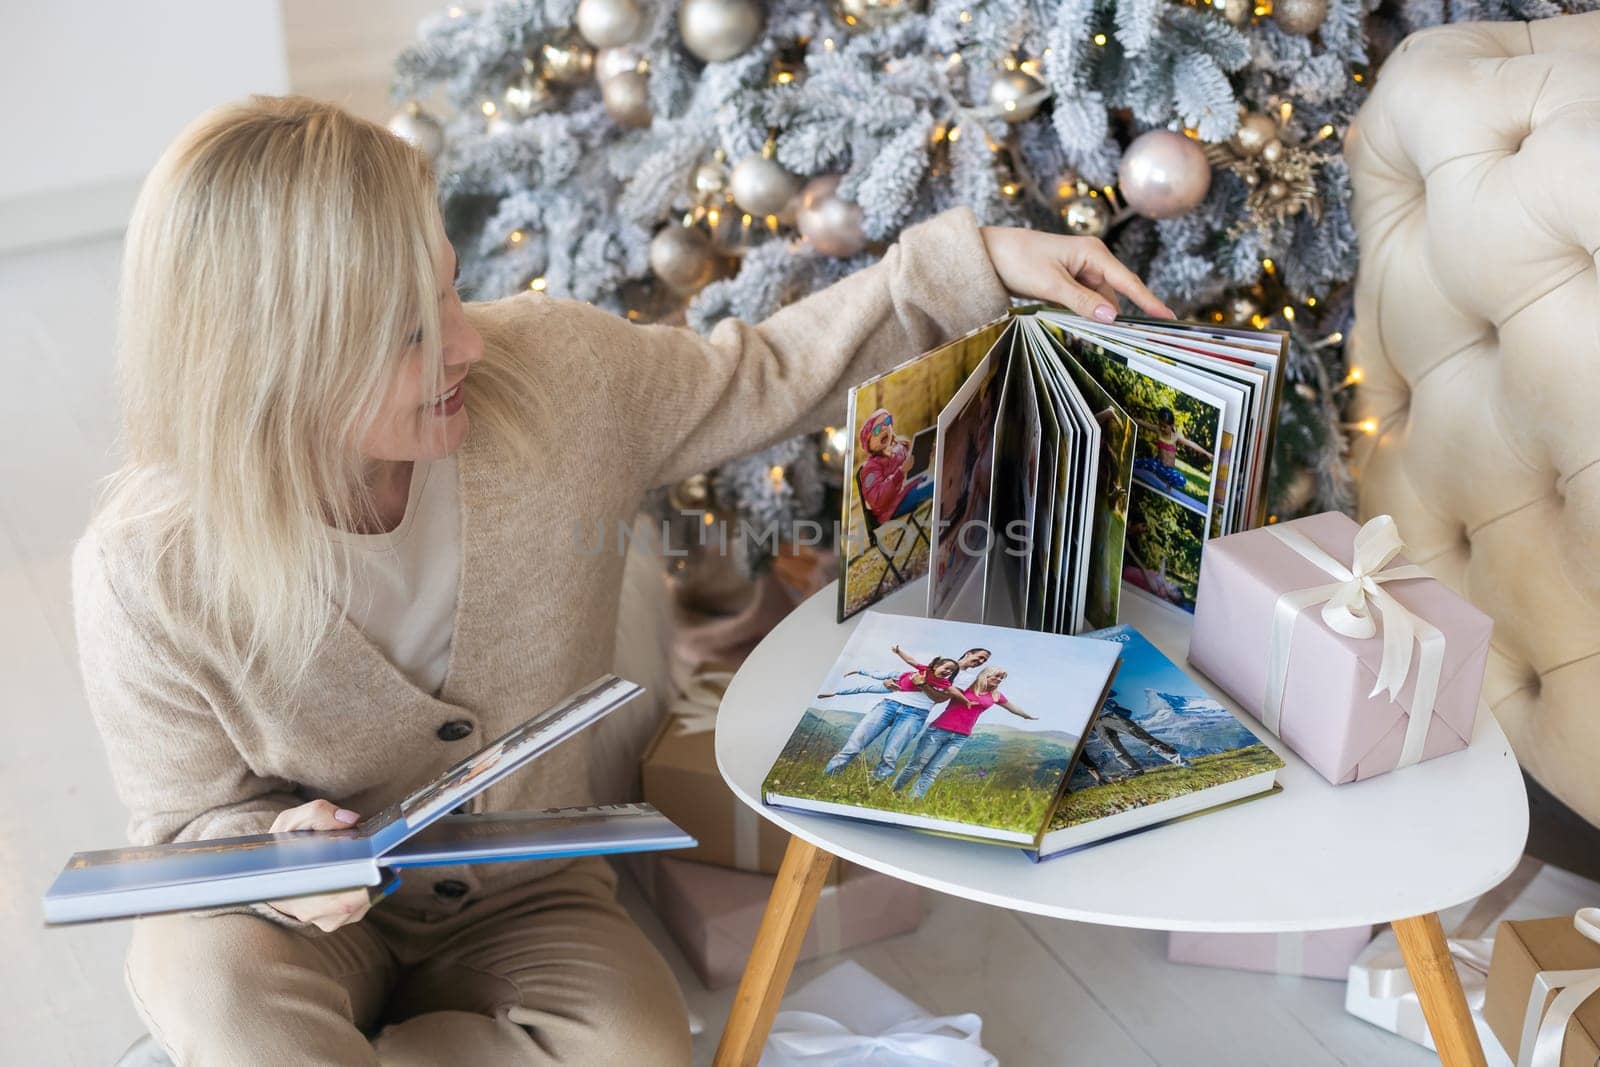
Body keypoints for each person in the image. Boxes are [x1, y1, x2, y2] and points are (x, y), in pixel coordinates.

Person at [74, 94, 1171, 1063]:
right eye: (409, 331)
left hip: (522, 895)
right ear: (274, 361)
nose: (466, 345)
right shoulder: (144, 570)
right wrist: (270, 857)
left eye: (450, 291)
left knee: (638, 1045)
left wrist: (975, 260)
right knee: (210, 992)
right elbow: (184, 830)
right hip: (290, 923)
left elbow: (765, 371)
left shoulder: (551, 373)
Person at [891, 666, 1036, 798]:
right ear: (985, 675)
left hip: (960, 737)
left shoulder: (996, 695)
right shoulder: (965, 686)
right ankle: (893, 792)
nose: (998, 680)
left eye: (1001, 678)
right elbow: (940, 688)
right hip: (938, 730)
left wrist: (1025, 715)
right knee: (916, 765)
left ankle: (912, 800)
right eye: (996, 676)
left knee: (933, 771)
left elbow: (1011, 707)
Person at [1078, 689, 1191, 783]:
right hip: (1096, 724)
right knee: (1115, 748)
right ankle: (1135, 770)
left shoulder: (1092, 687)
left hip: (1110, 715)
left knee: (1143, 737)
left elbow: (1112, 693)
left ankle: (1181, 762)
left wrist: (1096, 692)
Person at [856, 408, 932, 525]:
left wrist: (927, 453)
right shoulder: (870, 468)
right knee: (934, 485)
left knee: (937, 475)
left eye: (887, 421)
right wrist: (900, 473)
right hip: (892, 506)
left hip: (910, 487)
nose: (884, 428)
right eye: (876, 430)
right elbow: (876, 499)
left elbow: (914, 467)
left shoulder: (899, 446)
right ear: (868, 444)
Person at [1134, 406, 1211, 495]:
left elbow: (1192, 444)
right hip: (1157, 464)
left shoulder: (1175, 437)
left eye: (1164, 426)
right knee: (1136, 462)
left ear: (1171, 426)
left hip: (1168, 470)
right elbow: (1144, 423)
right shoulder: (1158, 430)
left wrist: (1207, 454)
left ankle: (1169, 483)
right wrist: (1132, 418)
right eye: (1160, 425)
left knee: (1182, 481)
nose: (1162, 428)